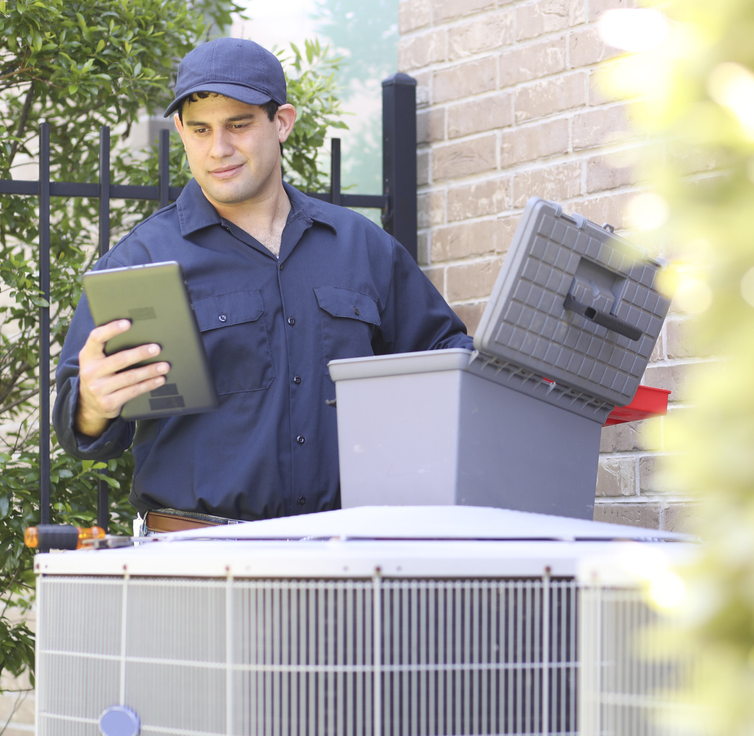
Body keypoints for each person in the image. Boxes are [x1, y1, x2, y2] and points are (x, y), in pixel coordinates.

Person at [53, 38, 473, 529]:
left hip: (342, 552)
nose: (219, 149)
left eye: (238, 124)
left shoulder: (361, 247)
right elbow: (76, 424)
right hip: (196, 563)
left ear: (282, 122)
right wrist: (91, 405)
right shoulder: (140, 261)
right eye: (201, 129)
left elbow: (448, 357)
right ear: (181, 132)